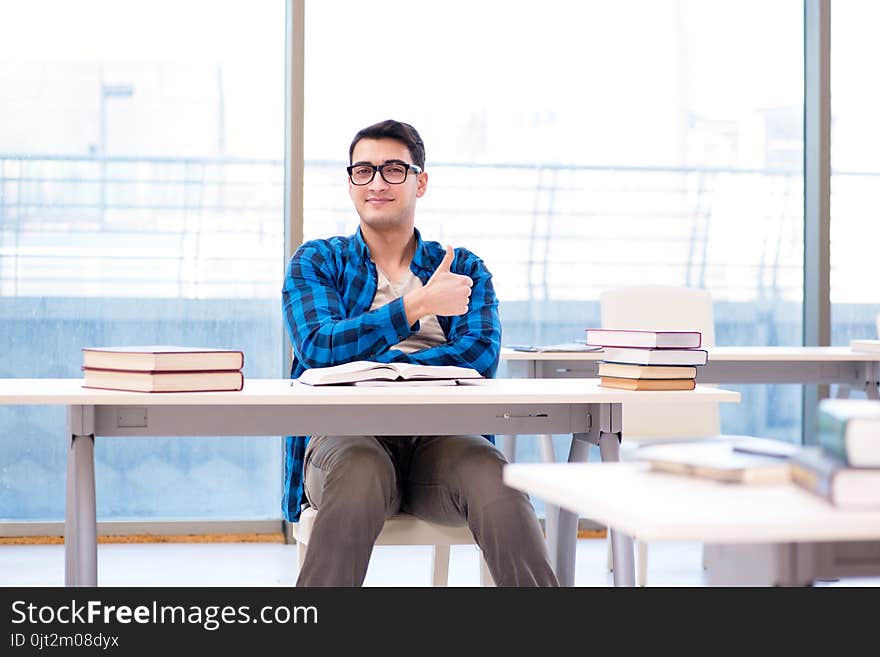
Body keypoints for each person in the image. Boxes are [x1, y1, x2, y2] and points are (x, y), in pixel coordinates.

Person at [282, 119, 558, 587]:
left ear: (420, 181)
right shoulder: (317, 261)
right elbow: (319, 347)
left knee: (497, 480)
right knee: (359, 472)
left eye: (393, 169)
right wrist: (417, 307)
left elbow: (478, 358)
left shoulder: (463, 267)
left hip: (443, 440)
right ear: (350, 182)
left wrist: (375, 368)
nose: (377, 182)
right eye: (363, 170)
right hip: (347, 439)